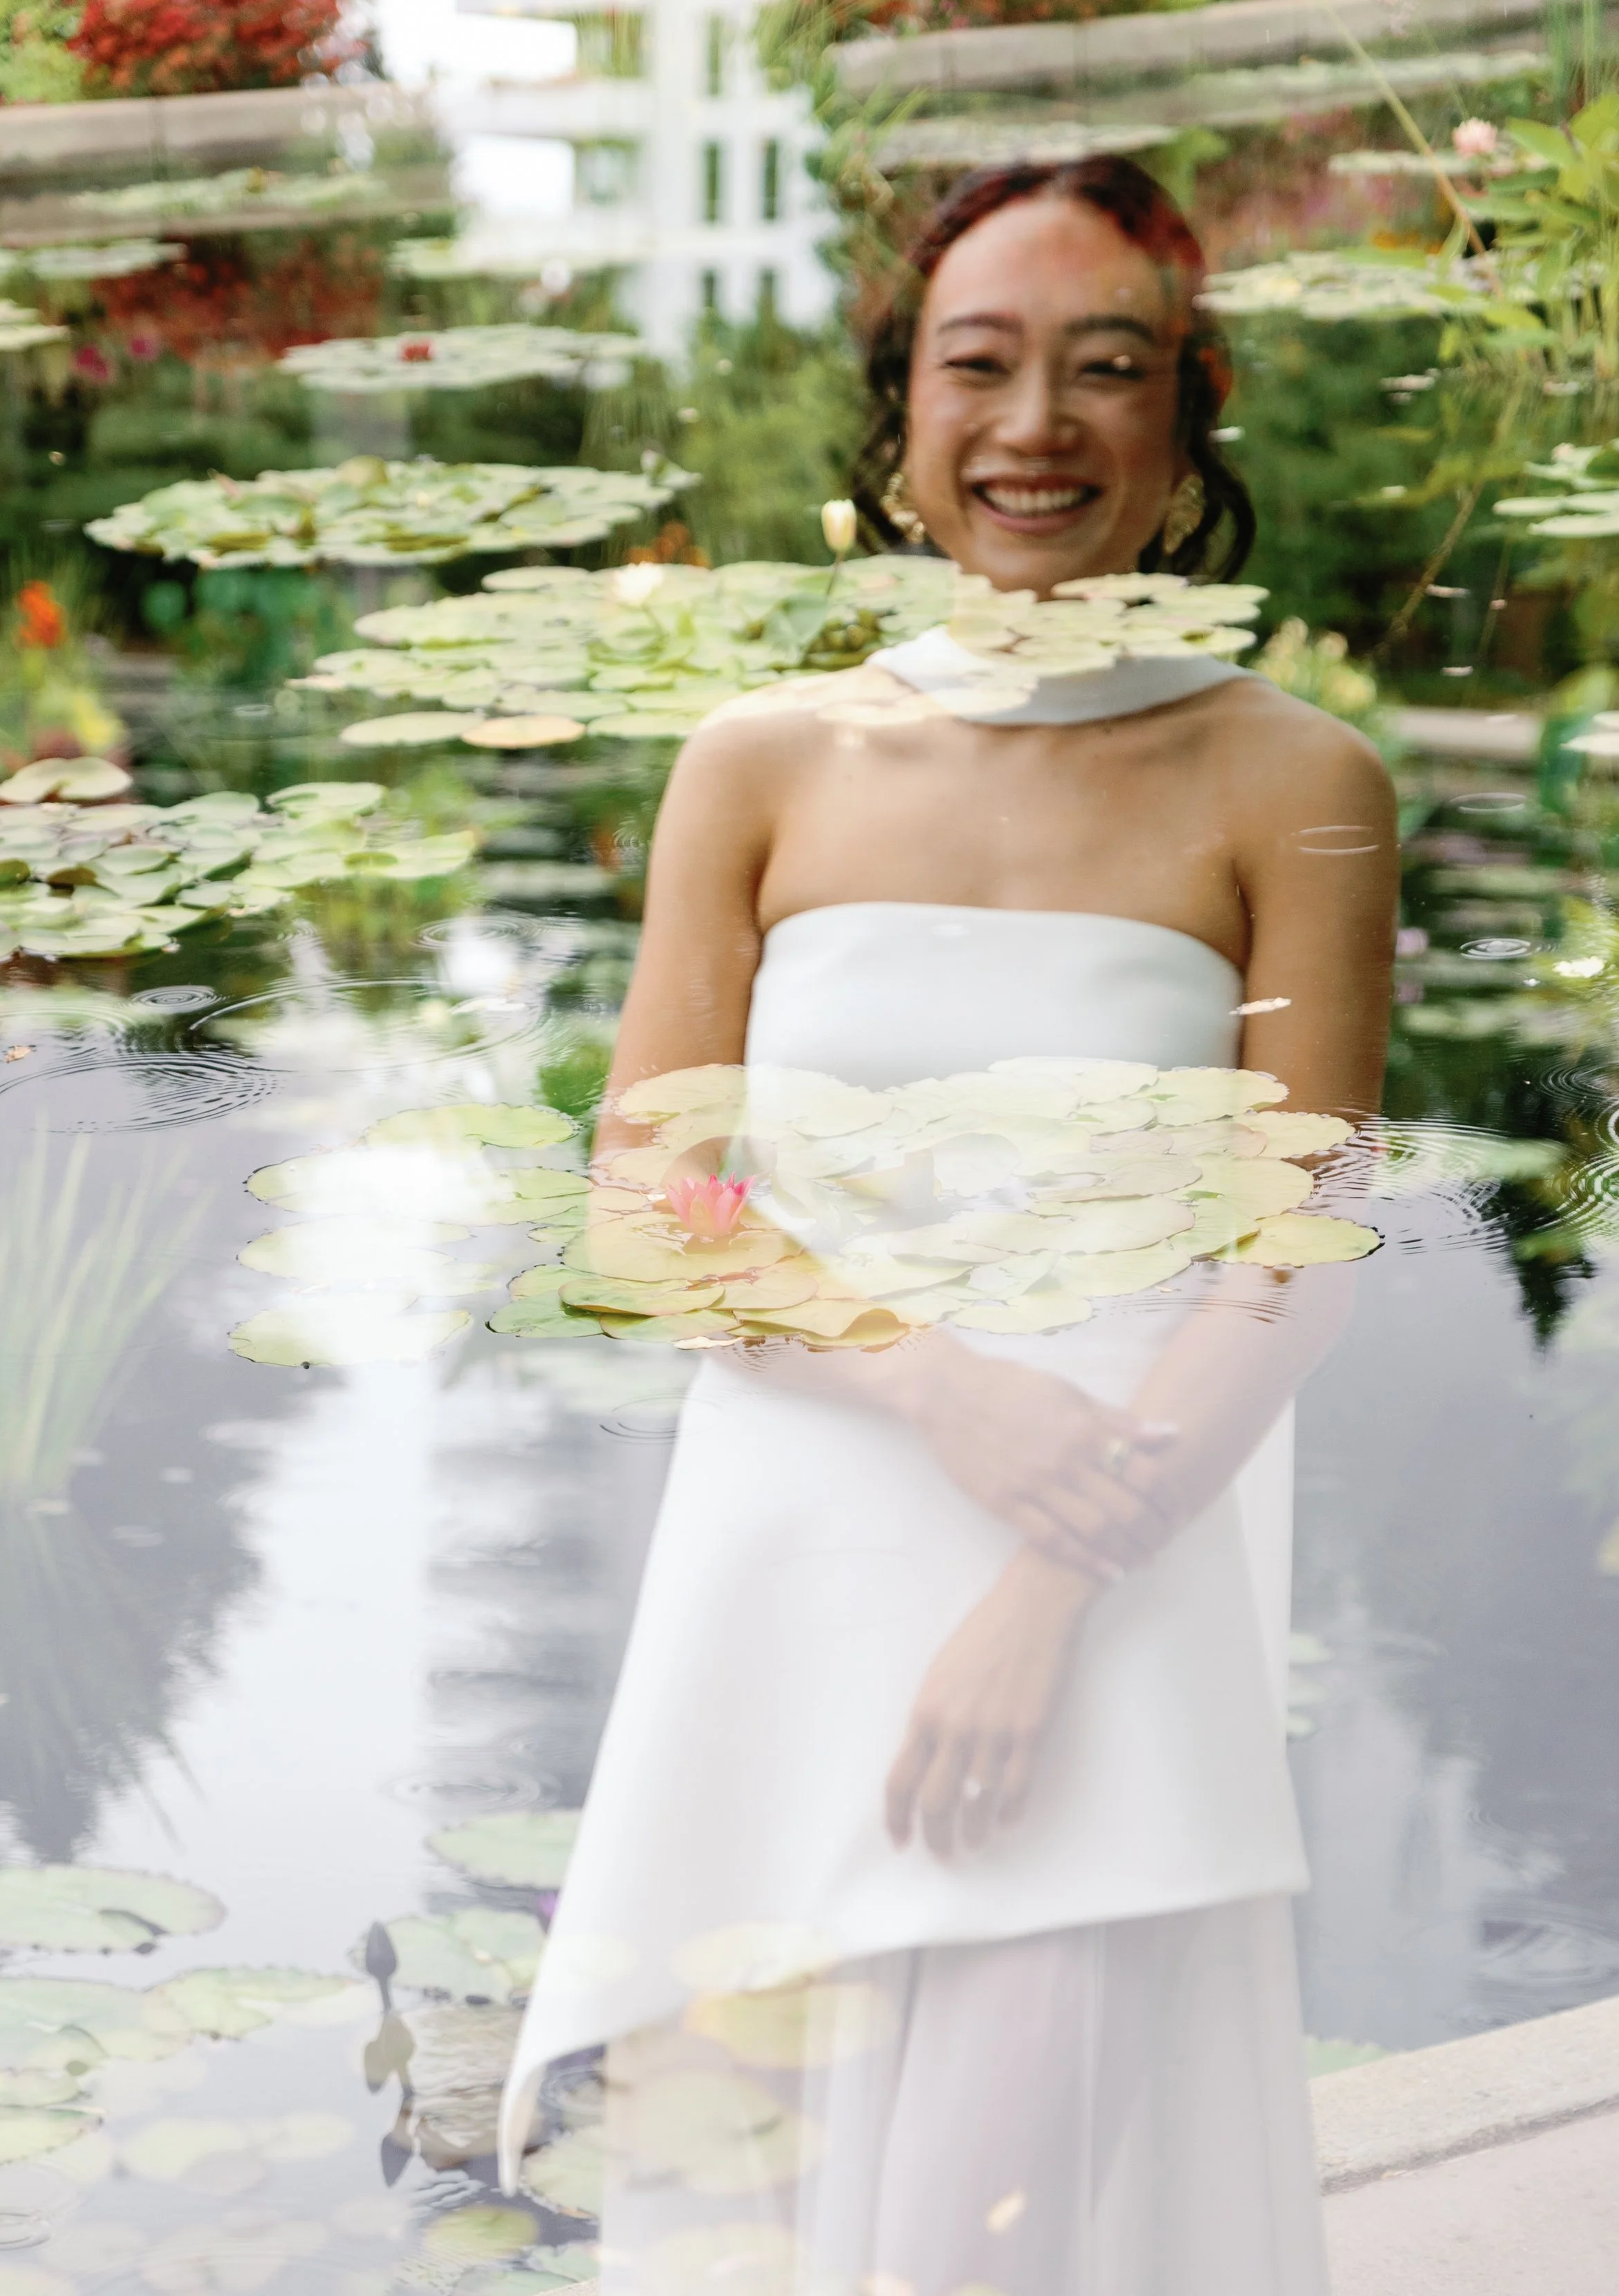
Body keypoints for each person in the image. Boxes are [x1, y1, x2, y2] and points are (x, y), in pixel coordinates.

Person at [500, 156, 1397, 2295]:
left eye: (1106, 369)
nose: (1034, 427)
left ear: (1188, 419)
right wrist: (938, 1385)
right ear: (896, 416)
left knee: (971, 2255)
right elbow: (648, 1199)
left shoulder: (1295, 778)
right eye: (974, 365)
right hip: (786, 1564)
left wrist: (1044, 1584)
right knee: (724, 2232)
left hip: (1101, 1577)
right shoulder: (763, 763)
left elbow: (1298, 1246)